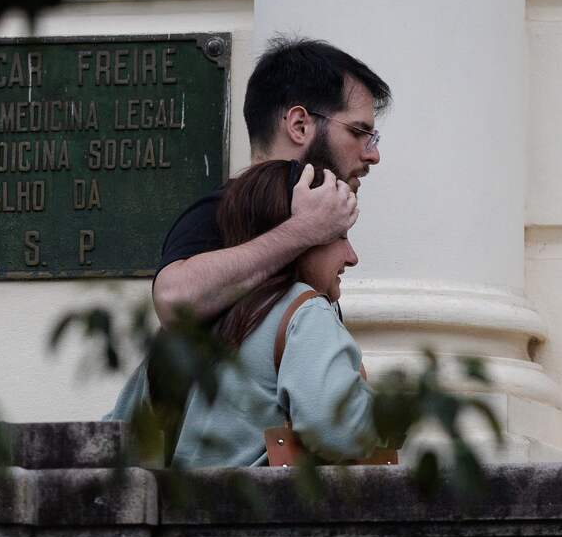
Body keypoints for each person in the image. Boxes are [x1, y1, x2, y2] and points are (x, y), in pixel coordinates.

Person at [152, 36, 390, 329]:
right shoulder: (219, 211)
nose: (373, 155)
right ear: (299, 125)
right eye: (358, 132)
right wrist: (305, 230)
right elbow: (173, 300)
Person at [171, 158, 377, 467]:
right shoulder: (305, 310)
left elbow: (123, 428)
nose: (352, 258)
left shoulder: (197, 317)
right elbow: (340, 432)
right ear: (302, 238)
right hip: (251, 510)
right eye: (340, 236)